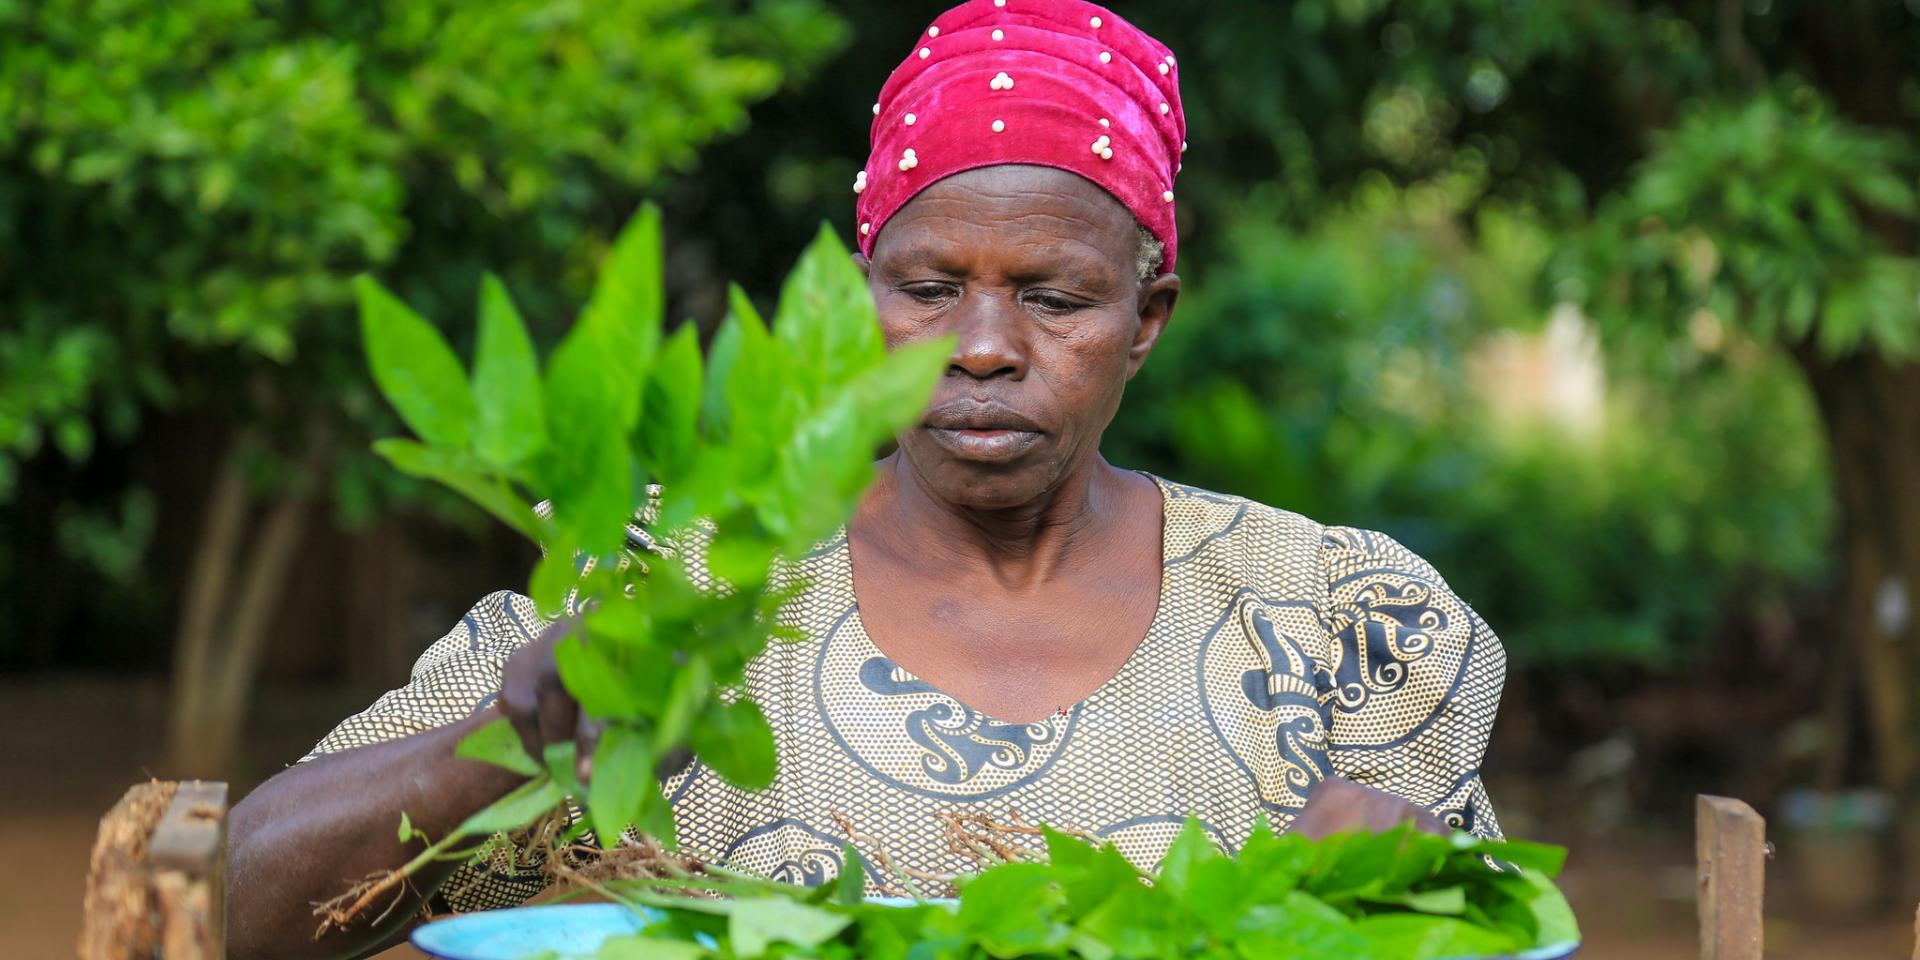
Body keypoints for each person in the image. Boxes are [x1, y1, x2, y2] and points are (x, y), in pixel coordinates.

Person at [226, 2, 1506, 957]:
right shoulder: (681, 584)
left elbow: (1492, 924)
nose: (987, 348)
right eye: (930, 291)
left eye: (1056, 298)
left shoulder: (1336, 616)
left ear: (1149, 314)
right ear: (863, 301)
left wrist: (1398, 884)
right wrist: (503, 753)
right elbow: (217, 911)